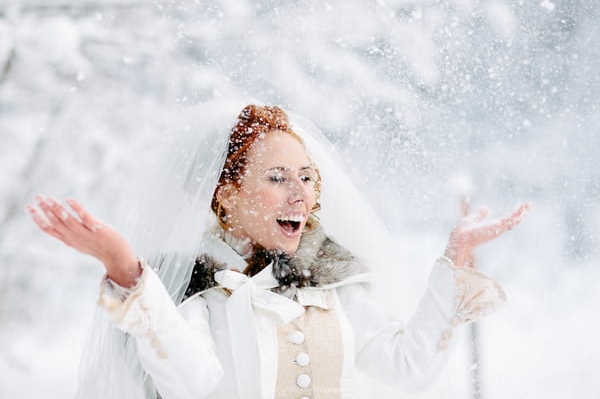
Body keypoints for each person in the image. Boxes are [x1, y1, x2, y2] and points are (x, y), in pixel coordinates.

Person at [27, 104, 531, 399]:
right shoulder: (201, 291)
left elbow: (407, 366)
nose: (300, 194)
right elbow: (191, 381)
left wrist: (456, 259)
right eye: (277, 178)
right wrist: (124, 268)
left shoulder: (333, 287)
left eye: (307, 178)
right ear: (226, 194)